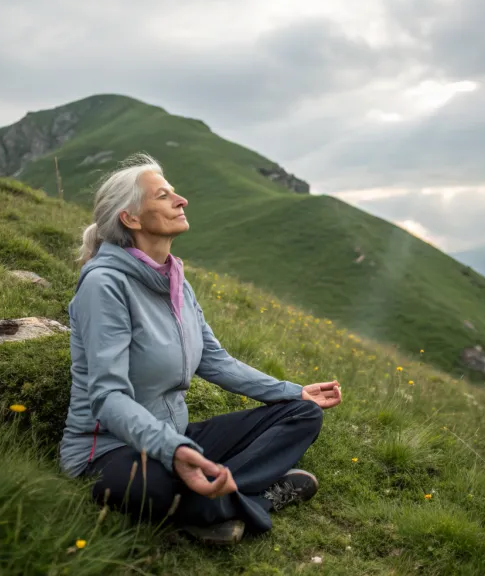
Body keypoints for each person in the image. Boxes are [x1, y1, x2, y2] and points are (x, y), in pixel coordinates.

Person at [59, 153, 342, 544]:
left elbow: (214, 360)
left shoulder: (175, 281)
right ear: (131, 218)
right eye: (163, 195)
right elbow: (107, 397)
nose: (181, 200)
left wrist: (294, 391)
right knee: (156, 485)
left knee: (303, 414)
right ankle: (245, 499)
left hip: (175, 437)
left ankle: (218, 502)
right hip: (110, 452)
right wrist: (171, 449)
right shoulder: (104, 286)